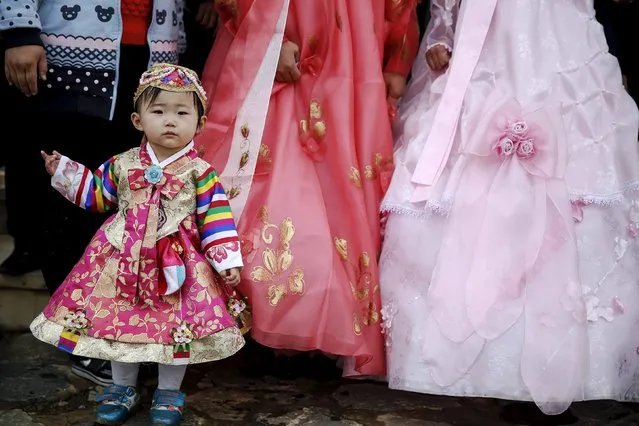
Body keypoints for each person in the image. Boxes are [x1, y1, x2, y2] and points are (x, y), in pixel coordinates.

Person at [379, 0, 639, 415]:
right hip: (488, 35)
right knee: (473, 181)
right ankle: (491, 369)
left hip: (560, 34)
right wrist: (443, 27)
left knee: (576, 176)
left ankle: (562, 368)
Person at [197, 0, 419, 377]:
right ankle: (247, 314)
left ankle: (319, 319)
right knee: (279, 176)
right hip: (290, 48)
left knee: (340, 185)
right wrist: (274, 36)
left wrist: (398, 58)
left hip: (354, 62)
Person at [31, 64, 247, 426]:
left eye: (182, 112)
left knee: (176, 327)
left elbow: (216, 218)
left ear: (200, 122)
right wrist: (66, 173)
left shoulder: (200, 173)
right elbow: (98, 196)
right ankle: (121, 388)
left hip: (177, 267)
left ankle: (169, 391)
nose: (170, 121)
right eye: (158, 111)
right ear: (137, 119)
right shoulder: (122, 164)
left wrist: (226, 259)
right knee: (119, 323)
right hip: (119, 259)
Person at [1, 0, 187, 385]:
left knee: (131, 212)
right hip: (68, 52)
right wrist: (18, 30)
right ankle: (82, 341)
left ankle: (123, 333)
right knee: (69, 203)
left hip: (154, 54)